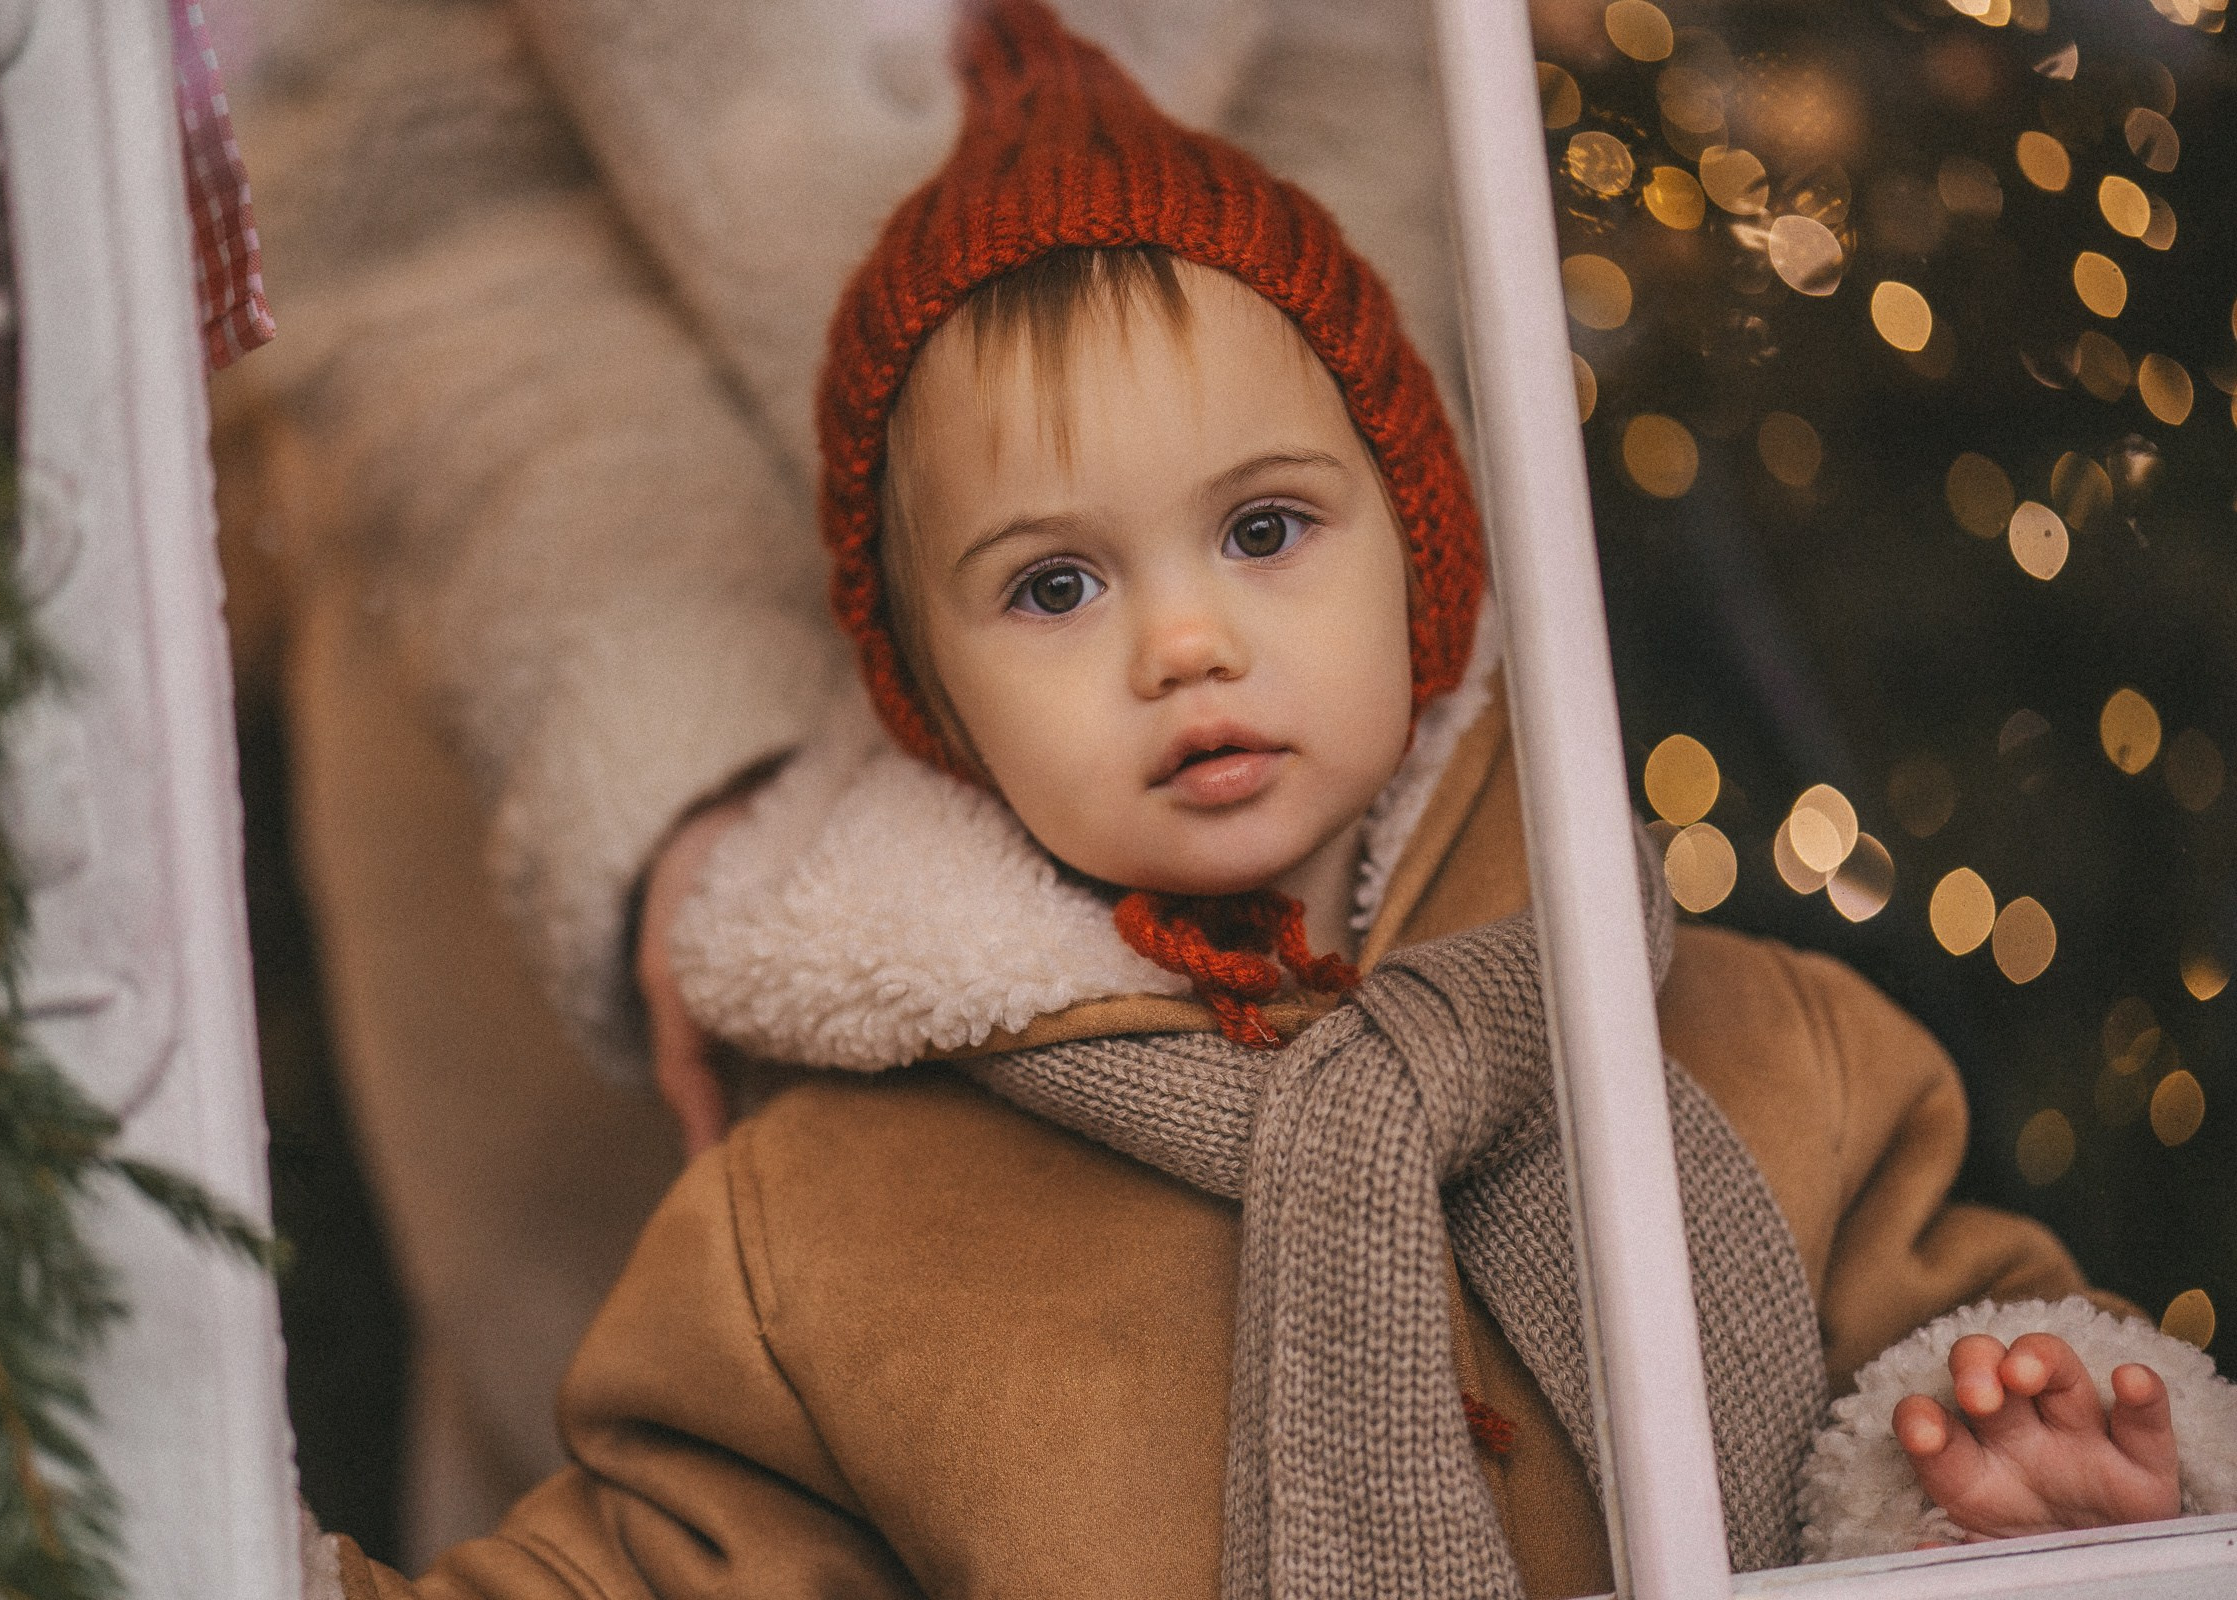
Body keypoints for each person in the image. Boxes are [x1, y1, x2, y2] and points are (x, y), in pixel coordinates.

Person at [311, 4, 2233, 1595]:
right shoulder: (830, 1221)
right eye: (1053, 587)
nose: (1183, 646)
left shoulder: (1746, 1048)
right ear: (930, 694)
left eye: (1264, 531)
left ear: (1422, 550)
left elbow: (1934, 1348)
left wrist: (1999, 1469)